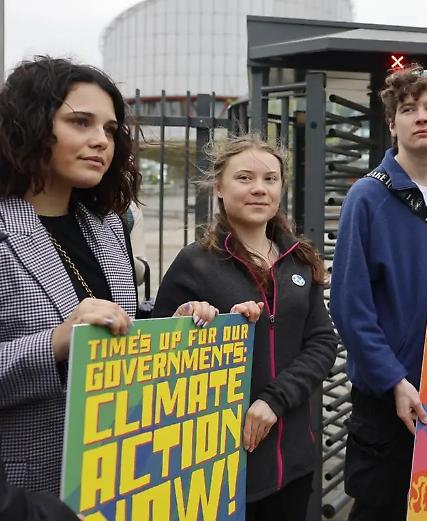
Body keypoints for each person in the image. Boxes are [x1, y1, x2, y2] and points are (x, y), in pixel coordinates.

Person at [0, 56, 212, 496]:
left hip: (117, 474)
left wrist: (175, 321)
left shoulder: (108, 224)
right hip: (28, 485)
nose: (101, 141)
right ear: (30, 124)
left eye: (110, 130)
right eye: (81, 122)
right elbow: (72, 334)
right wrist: (57, 341)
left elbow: (116, 322)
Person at [153, 134, 338, 521]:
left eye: (270, 179)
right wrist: (194, 322)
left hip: (294, 463)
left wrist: (274, 400)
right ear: (219, 187)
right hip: (220, 466)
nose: (259, 189)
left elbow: (321, 342)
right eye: (244, 178)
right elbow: (157, 360)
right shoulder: (194, 264)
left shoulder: (300, 260)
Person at [330, 64, 427, 521]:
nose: (421, 117)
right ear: (392, 124)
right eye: (409, 109)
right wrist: (394, 380)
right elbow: (350, 306)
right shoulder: (365, 198)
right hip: (385, 397)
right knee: (379, 509)